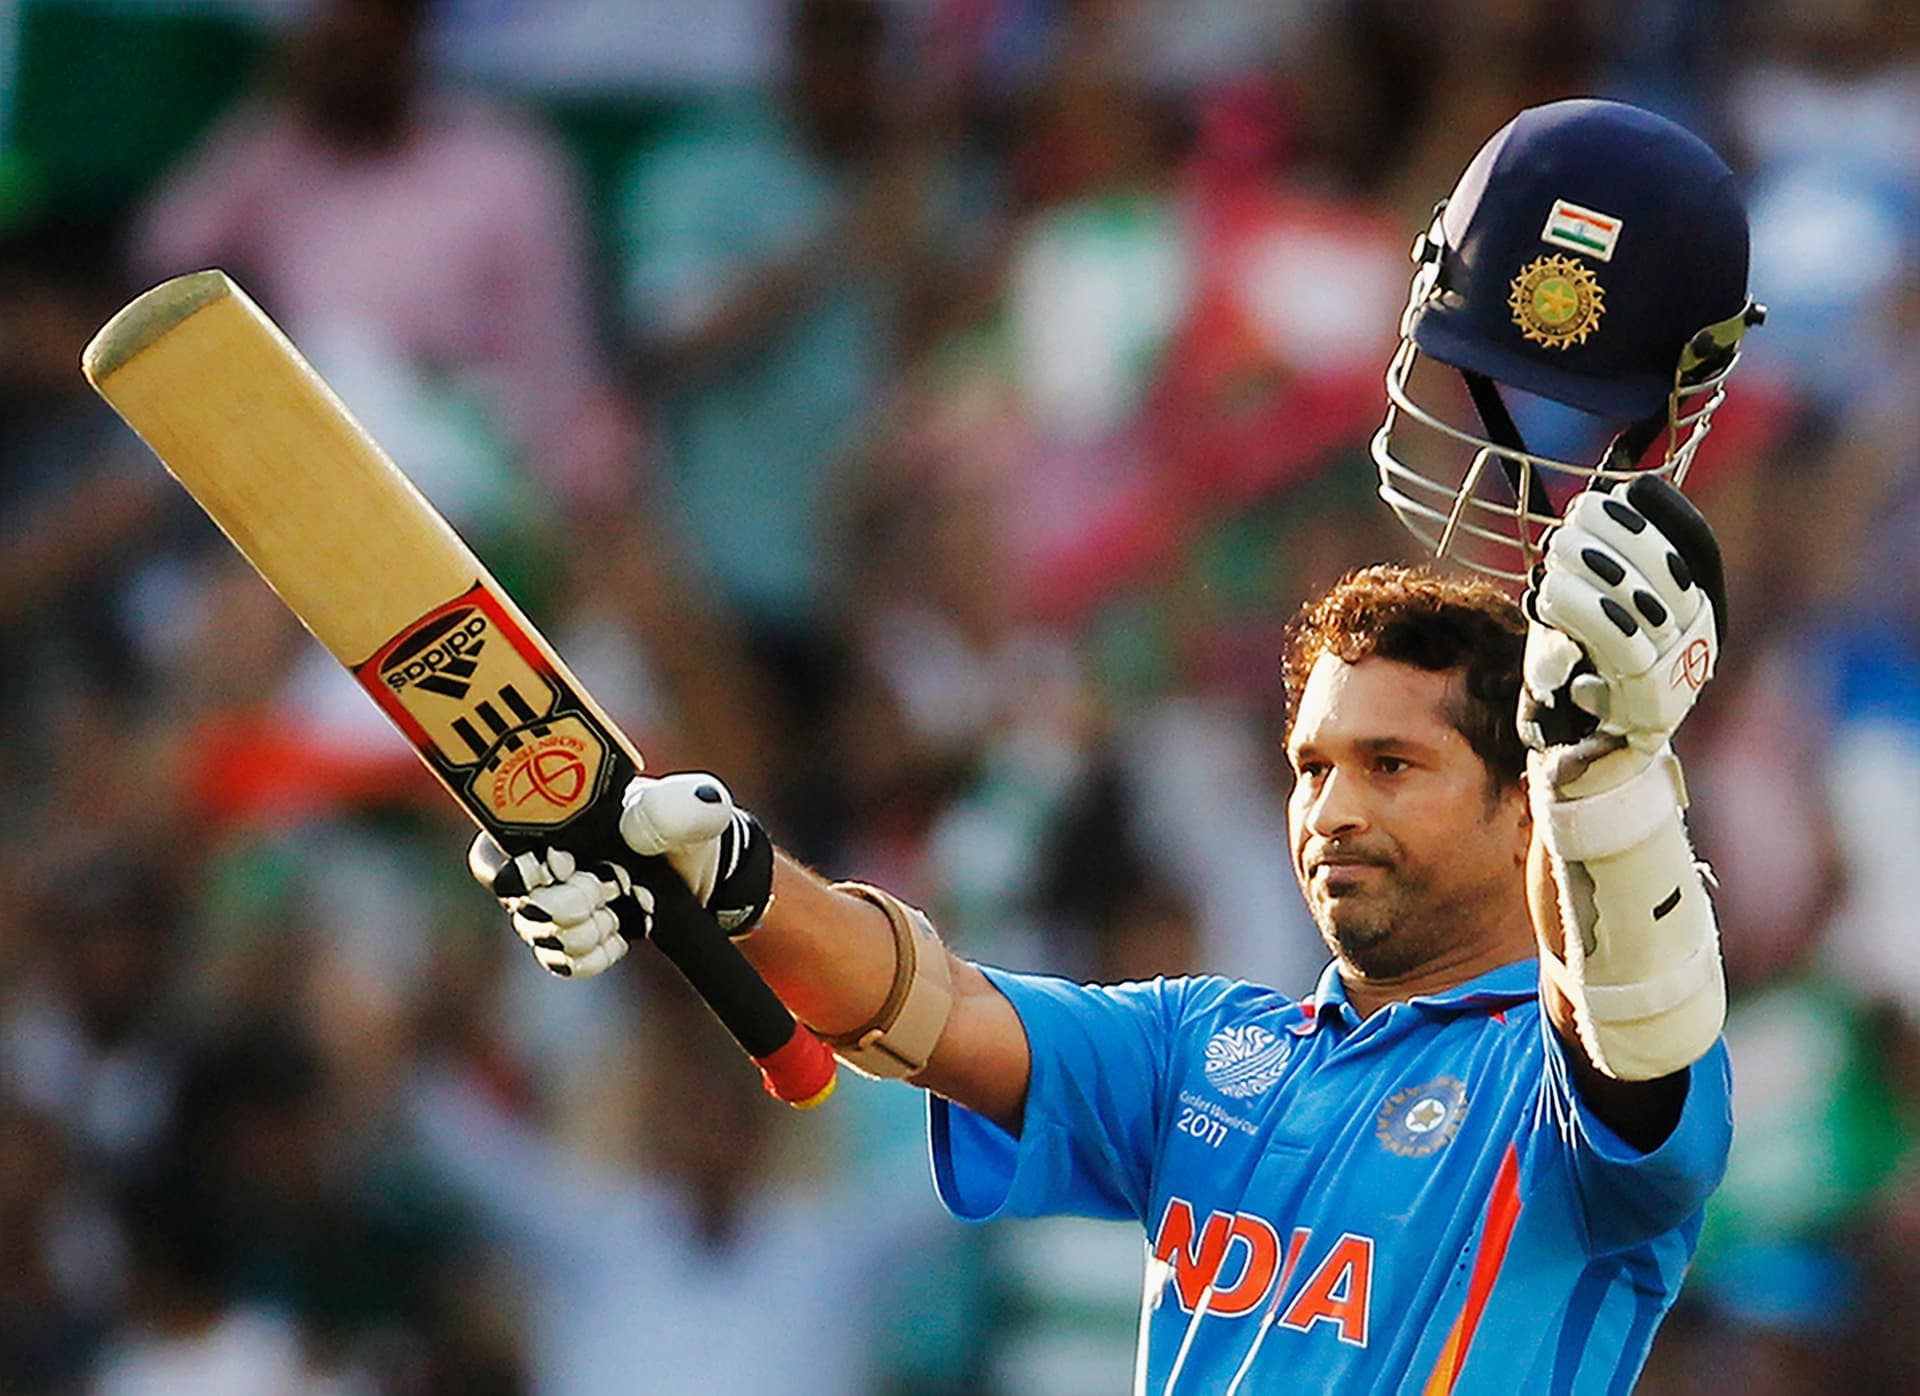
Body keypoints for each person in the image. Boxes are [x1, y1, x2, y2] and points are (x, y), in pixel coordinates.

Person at [470, 99, 1760, 1391]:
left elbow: (1632, 1031)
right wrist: (732, 883)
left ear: (1522, 808)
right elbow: (930, 1010)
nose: (1333, 811)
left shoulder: (1565, 1085)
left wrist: (1602, 775)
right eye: (1312, 768)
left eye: (1392, 766)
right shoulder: (1208, 1051)